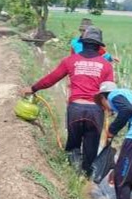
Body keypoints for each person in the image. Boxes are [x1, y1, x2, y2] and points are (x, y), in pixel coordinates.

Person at [21, 26, 114, 175]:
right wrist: (111, 110)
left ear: (82, 43)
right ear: (99, 46)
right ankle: (85, 179)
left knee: (73, 145)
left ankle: (72, 177)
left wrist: (33, 88)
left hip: (75, 109)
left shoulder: (70, 60)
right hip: (95, 112)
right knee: (91, 150)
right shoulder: (106, 65)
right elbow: (109, 92)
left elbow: (51, 79)